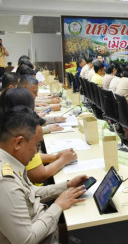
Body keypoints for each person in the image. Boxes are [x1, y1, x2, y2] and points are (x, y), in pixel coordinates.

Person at [0, 106, 87, 244]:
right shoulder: (4, 183)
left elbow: (29, 192)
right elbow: (26, 240)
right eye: (36, 145)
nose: (36, 153)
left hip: (46, 229)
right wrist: (58, 205)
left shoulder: (9, 162)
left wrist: (65, 186)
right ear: (18, 143)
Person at [0, 88, 77, 184]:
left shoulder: (6, 128)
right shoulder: (18, 136)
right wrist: (63, 160)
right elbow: (40, 175)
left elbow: (34, 156)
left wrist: (55, 157)